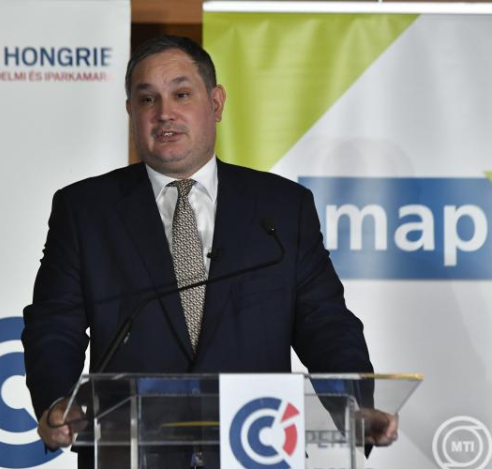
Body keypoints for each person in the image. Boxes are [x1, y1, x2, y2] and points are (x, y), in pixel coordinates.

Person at [21, 35, 397, 467]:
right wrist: (57, 400)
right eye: (147, 99)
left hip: (256, 448)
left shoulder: (281, 208)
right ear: (131, 112)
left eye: (181, 94)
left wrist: (353, 406)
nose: (164, 113)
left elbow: (325, 323)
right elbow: (54, 324)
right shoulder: (85, 210)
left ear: (216, 103)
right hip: (132, 455)